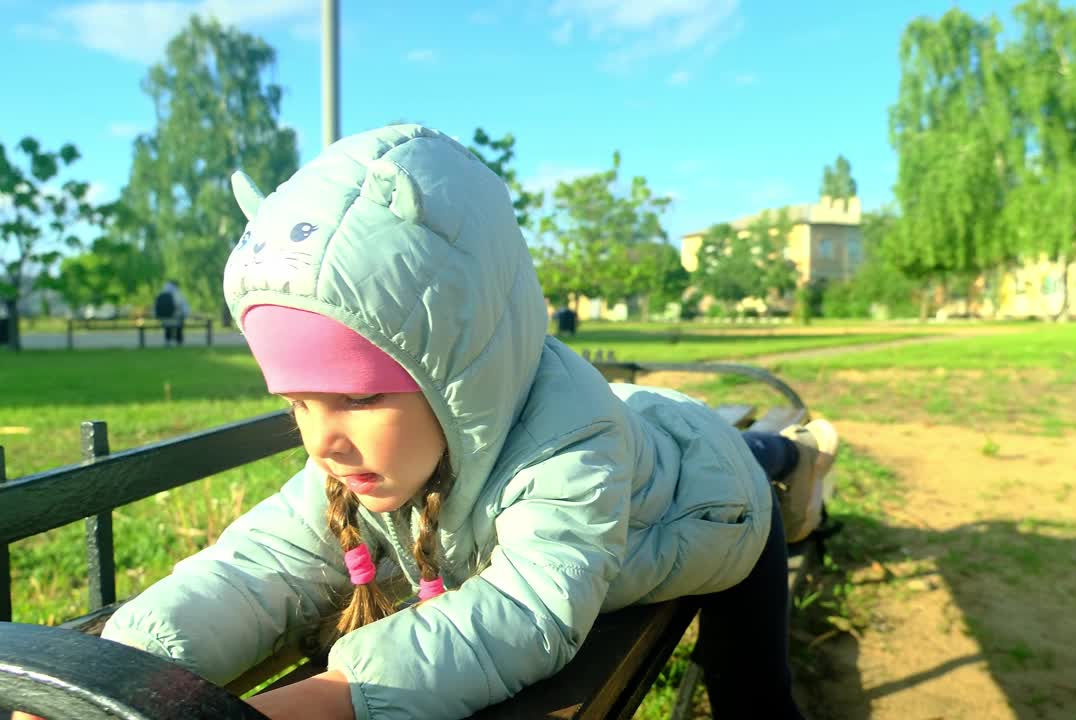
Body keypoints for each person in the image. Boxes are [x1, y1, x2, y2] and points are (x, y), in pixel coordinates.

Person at [41, 125, 839, 720]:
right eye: (298, 402)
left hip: (715, 500)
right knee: (657, 429)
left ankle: (790, 457)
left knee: (754, 696)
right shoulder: (364, 455)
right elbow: (255, 570)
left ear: (461, 375)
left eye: (355, 396)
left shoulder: (573, 450)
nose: (322, 438)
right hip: (634, 448)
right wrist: (118, 672)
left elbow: (526, 613)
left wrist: (331, 699)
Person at [154, 280, 190, 347]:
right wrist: (185, 315)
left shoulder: (161, 293)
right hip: (175, 319)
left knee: (168, 326)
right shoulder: (177, 294)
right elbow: (183, 308)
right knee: (179, 323)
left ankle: (168, 340)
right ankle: (179, 340)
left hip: (163, 319)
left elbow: (155, 307)